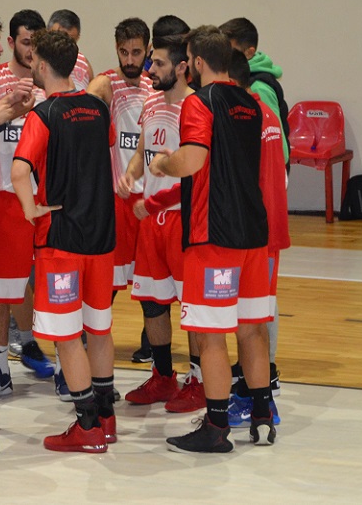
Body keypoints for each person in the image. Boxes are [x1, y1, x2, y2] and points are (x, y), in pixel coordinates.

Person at [148, 25, 275, 452]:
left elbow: (193, 160)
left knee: (212, 335)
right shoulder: (251, 103)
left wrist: (163, 163)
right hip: (253, 233)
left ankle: (217, 427)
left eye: (187, 60)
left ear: (198, 62)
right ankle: (262, 416)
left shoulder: (198, 102)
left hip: (213, 234)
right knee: (252, 330)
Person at [12, 28, 118, 453]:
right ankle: (107, 419)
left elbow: (20, 170)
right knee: (100, 329)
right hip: (102, 237)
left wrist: (30, 209)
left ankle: (87, 427)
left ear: (41, 64)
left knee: (68, 335)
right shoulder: (98, 108)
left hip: (62, 240)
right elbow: (106, 146)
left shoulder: (44, 114)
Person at [0, 9, 56, 401]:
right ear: (11, 43)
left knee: (58, 288)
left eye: (37, 43)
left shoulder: (52, 79)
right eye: (25, 42)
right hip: (3, 198)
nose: (31, 50)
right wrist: (8, 105)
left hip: (47, 198)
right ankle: (0, 370)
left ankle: (67, 369)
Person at [121, 35, 205, 414]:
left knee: (194, 307)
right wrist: (131, 173)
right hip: (150, 221)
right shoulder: (151, 101)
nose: (149, 70)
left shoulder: (195, 106)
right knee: (152, 303)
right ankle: (163, 376)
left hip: (184, 220)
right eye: (150, 62)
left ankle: (199, 380)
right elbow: (143, 151)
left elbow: (193, 167)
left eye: (158, 63)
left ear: (182, 67)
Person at [228, 49, 290, 430]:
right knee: (254, 318)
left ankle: (258, 399)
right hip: (268, 230)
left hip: (254, 234)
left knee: (250, 323)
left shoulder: (245, 116)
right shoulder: (264, 113)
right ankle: (257, 398)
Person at [87, 18, 152, 294]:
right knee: (108, 284)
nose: (129, 60)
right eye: (124, 52)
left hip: (150, 200)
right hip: (117, 199)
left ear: (148, 49)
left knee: (152, 289)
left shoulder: (156, 86)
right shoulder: (105, 83)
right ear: (116, 48)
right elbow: (80, 113)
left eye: (136, 52)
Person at [220, 17, 289, 164]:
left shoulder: (259, 88)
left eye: (228, 50)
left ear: (249, 52)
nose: (221, 56)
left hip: (268, 172)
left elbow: (279, 146)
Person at [47, 9, 94, 91]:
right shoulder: (34, 61)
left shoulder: (84, 64)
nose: (63, 47)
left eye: (70, 41)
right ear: (47, 33)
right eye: (58, 39)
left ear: (77, 38)